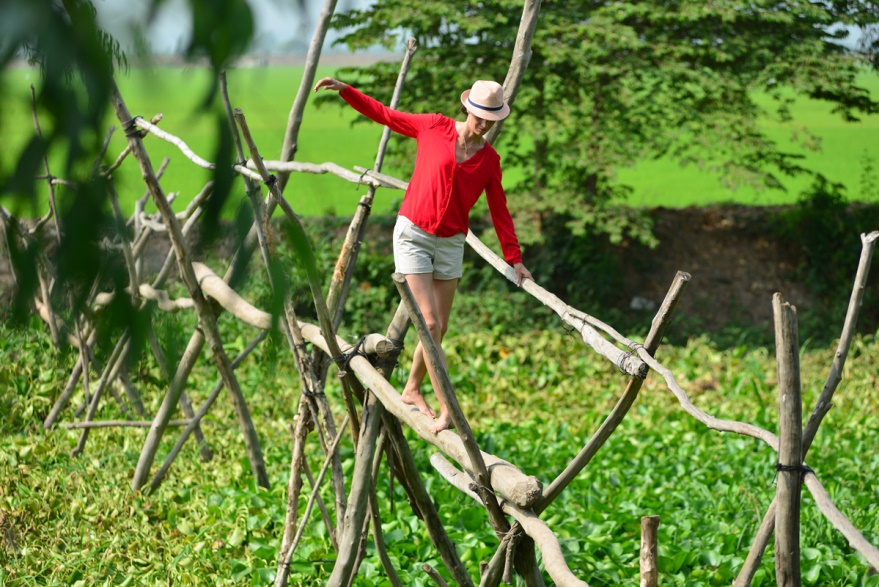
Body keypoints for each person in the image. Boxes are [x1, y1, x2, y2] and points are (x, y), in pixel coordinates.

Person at [314, 76, 532, 433]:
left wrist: (515, 258)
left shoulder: (490, 160)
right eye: (479, 116)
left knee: (440, 328)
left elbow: (500, 211)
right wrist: (347, 92)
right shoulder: (434, 126)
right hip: (414, 234)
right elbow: (387, 115)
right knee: (428, 324)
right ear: (467, 108)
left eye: (491, 119)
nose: (484, 124)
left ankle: (412, 387)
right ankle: (450, 409)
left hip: (450, 243)